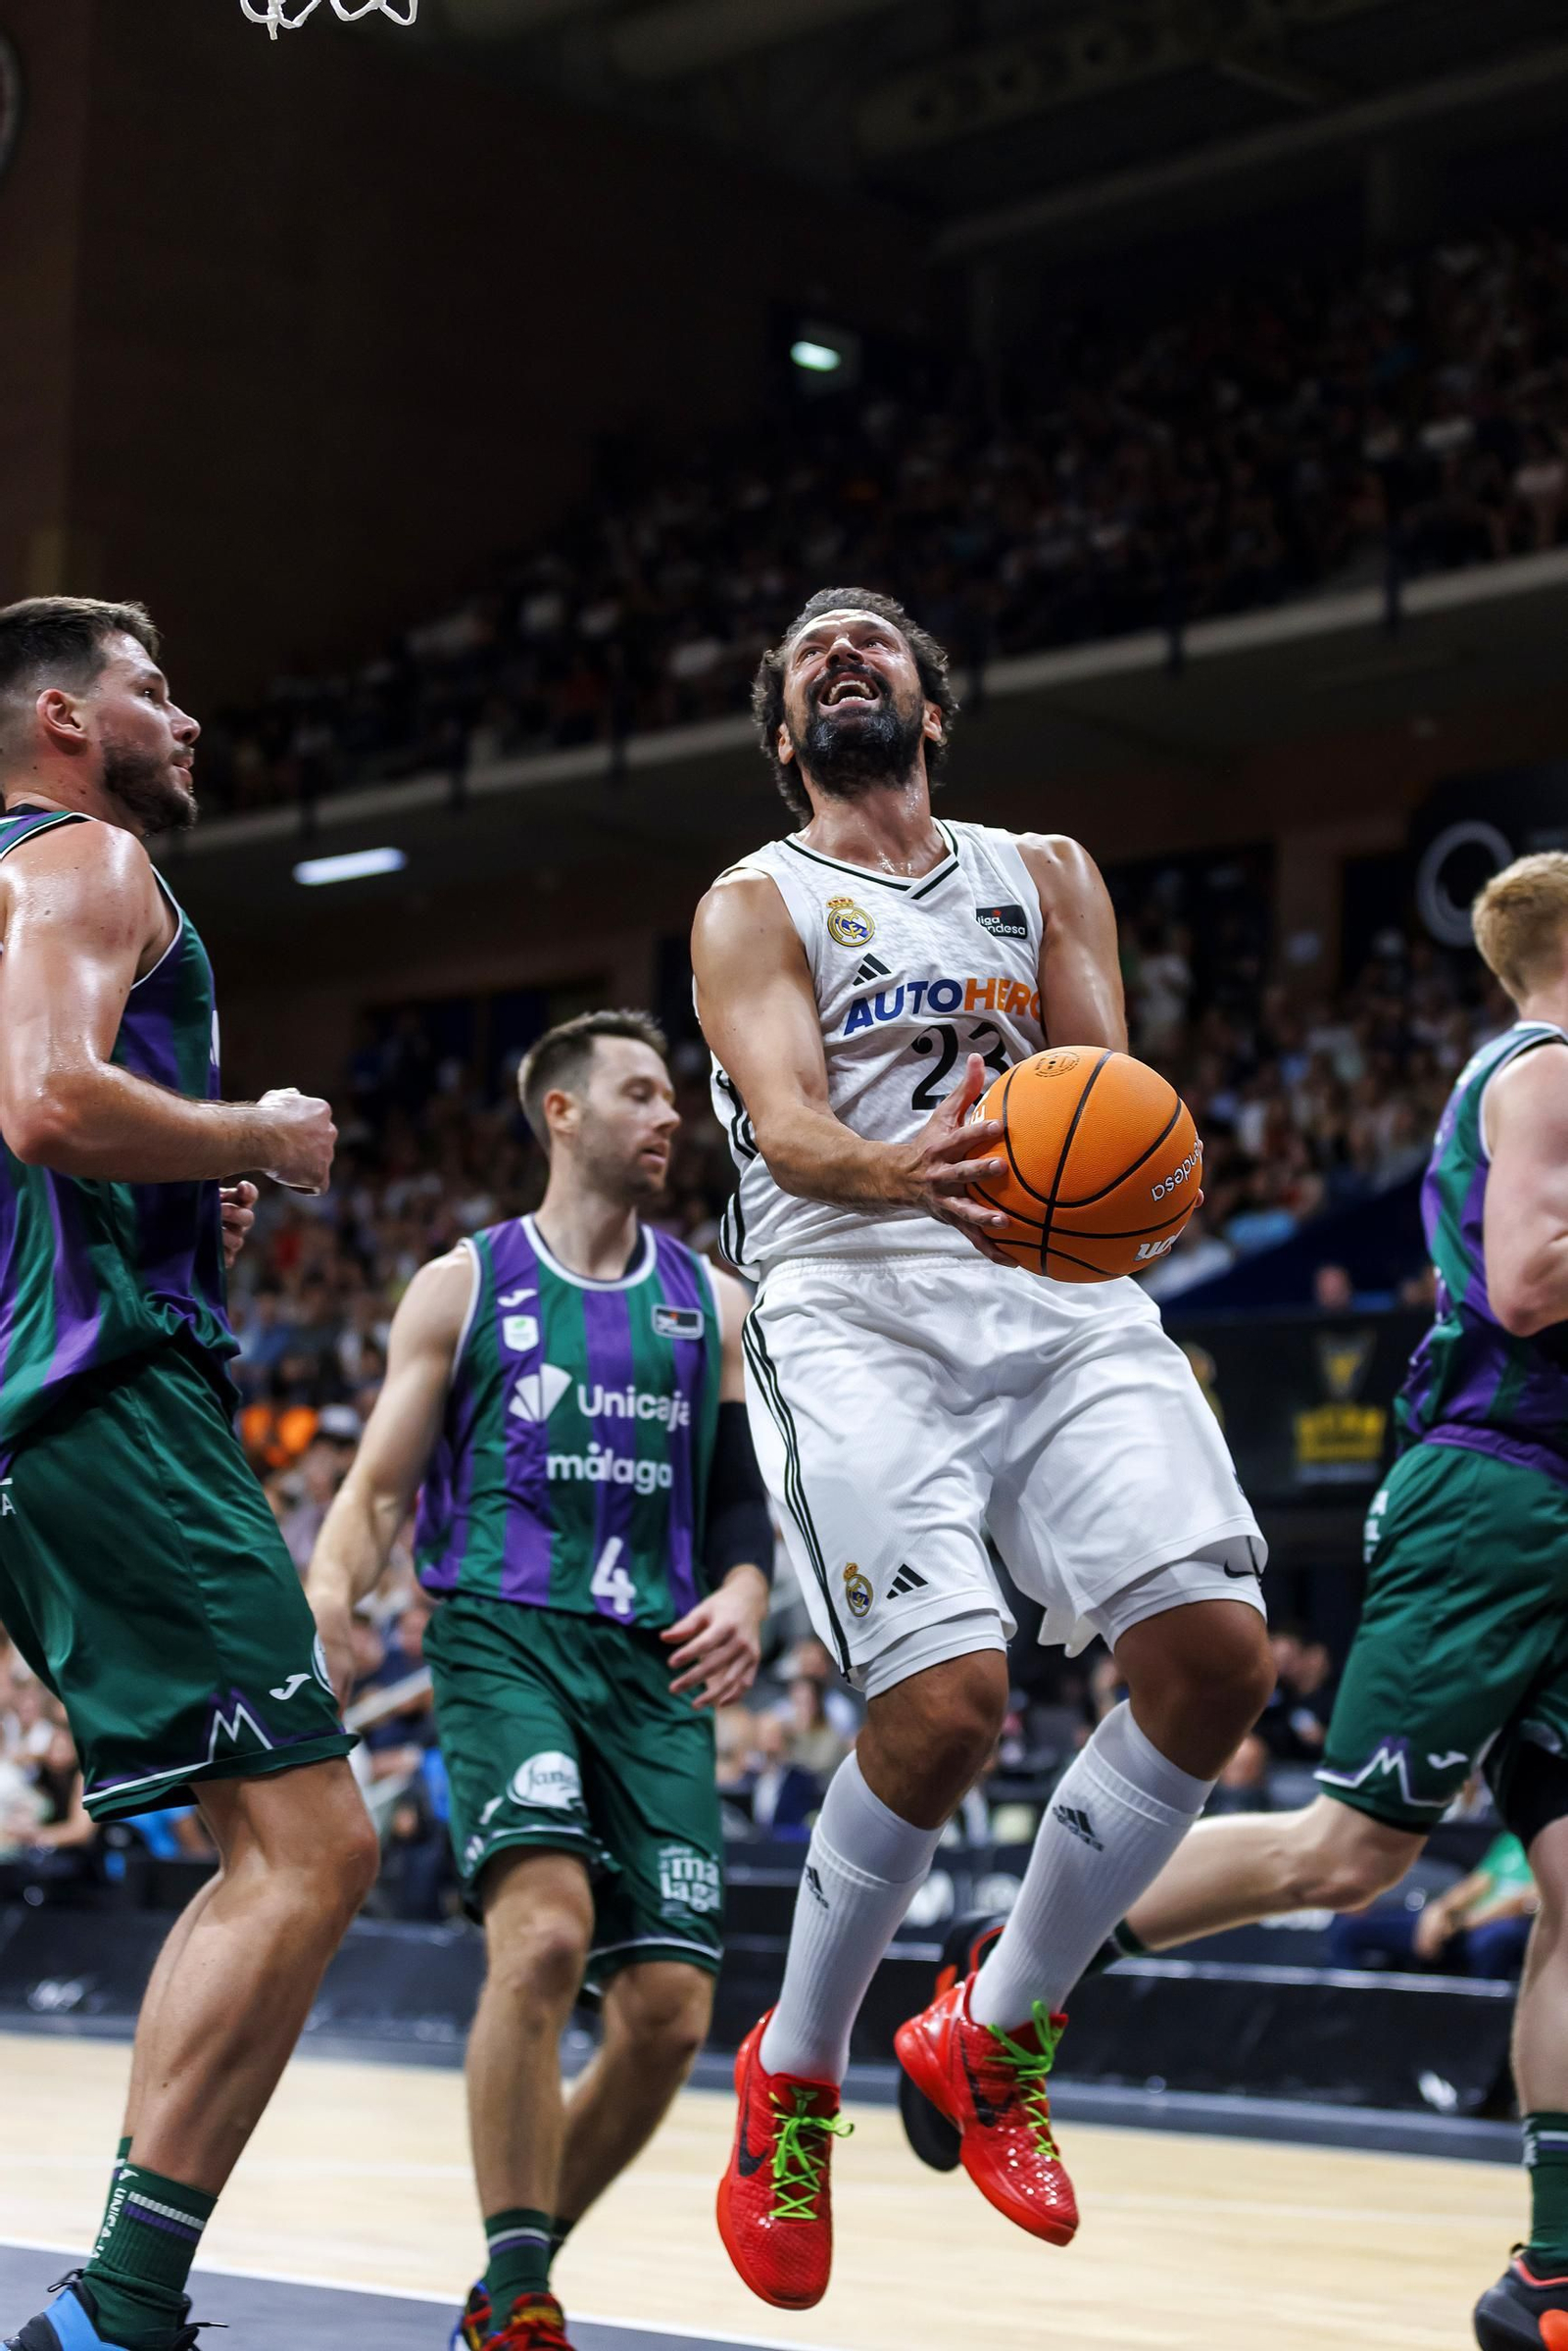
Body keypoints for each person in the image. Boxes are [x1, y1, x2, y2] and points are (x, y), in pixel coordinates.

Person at [691, 585, 1273, 2310]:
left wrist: (1131, 1176)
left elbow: (1104, 1089)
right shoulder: (755, 902)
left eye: (871, 640)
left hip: (1045, 1279)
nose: (841, 654)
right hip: (849, 1293)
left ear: (930, 708)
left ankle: (993, 2028)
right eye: (811, 654)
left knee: (1219, 1663)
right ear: (786, 733)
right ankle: (794, 2072)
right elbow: (791, 1131)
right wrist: (915, 1171)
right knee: (946, 1711)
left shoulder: (1048, 871)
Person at [1072, 853, 1568, 2351]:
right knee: (1348, 1856)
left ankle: (1551, 2270)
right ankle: (1019, 1971)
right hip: (1496, 1496)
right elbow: (1532, 1279)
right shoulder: (1547, 1064)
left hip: (1551, 1494)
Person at [0, 597, 376, 2351]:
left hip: (46, 1409)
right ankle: (121, 2307)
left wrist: (165, 1206)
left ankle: (119, 2300)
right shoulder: (88, 857)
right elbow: (48, 1104)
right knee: (311, 1849)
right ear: (66, 721)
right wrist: (258, 1134)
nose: (189, 717)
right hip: (108, 1409)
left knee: (259, 1846)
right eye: (154, 690)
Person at [307, 1009, 773, 2351]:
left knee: (668, 2014)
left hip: (656, 1664)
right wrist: (330, 1598)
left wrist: (747, 1590)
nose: (670, 1115)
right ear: (560, 1113)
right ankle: (521, 2300)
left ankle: (511, 2268)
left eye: (673, 1097)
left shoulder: (715, 1301)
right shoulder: (463, 1285)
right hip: (503, 1635)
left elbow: (740, 1504)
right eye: (641, 1092)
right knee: (548, 1935)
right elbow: (378, 1490)